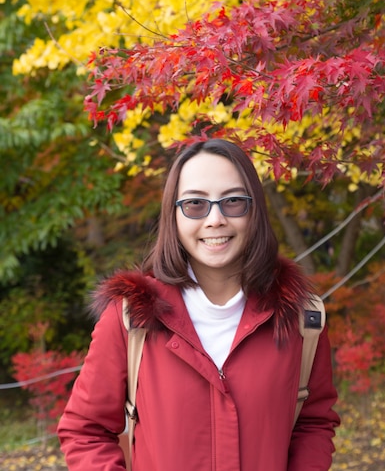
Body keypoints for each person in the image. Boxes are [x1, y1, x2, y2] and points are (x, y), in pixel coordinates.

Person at [58, 138, 340, 471]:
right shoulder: (131, 317)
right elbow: (85, 431)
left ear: (255, 210)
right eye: (195, 204)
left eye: (233, 201)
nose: (215, 219)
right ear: (173, 214)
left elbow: (313, 424)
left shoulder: (299, 320)